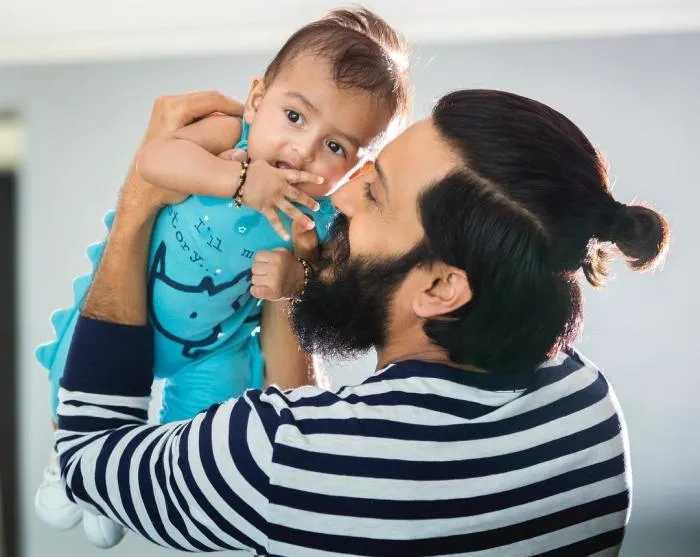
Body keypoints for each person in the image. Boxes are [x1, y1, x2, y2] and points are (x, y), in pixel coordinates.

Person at [55, 89, 670, 556]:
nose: (340, 196)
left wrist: (140, 197)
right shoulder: (583, 407)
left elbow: (85, 459)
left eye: (373, 194)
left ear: (441, 287)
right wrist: (292, 280)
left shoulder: (266, 458)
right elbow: (320, 453)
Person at [34, 8, 410, 548]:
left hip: (216, 344)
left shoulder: (323, 215)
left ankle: (133, 484)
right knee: (72, 371)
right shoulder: (232, 135)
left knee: (206, 424)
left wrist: (298, 278)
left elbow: (329, 289)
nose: (303, 149)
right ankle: (66, 458)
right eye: (295, 117)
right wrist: (234, 180)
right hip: (132, 305)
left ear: (356, 166)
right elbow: (154, 161)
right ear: (257, 100)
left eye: (335, 147)